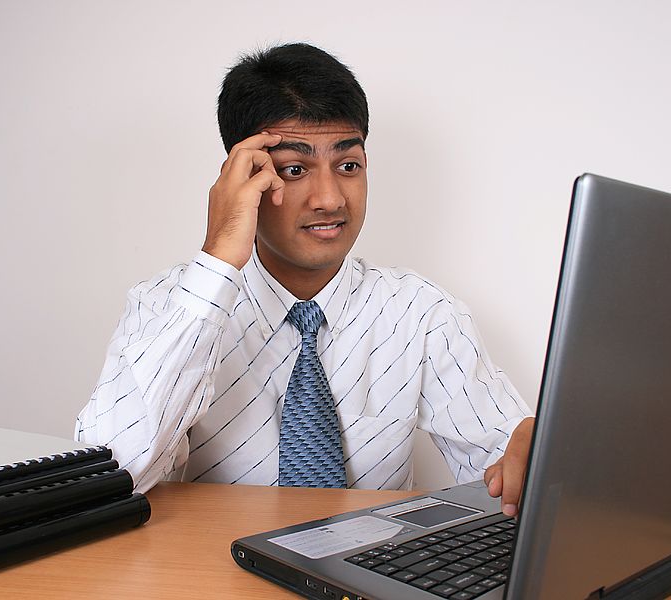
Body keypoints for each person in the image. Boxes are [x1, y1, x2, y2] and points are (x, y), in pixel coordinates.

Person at [75, 42, 535, 517]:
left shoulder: (420, 313)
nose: (330, 199)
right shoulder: (167, 307)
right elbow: (113, 477)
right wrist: (217, 260)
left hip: (364, 578)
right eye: (295, 169)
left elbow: (507, 467)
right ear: (244, 176)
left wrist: (528, 452)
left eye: (348, 166)